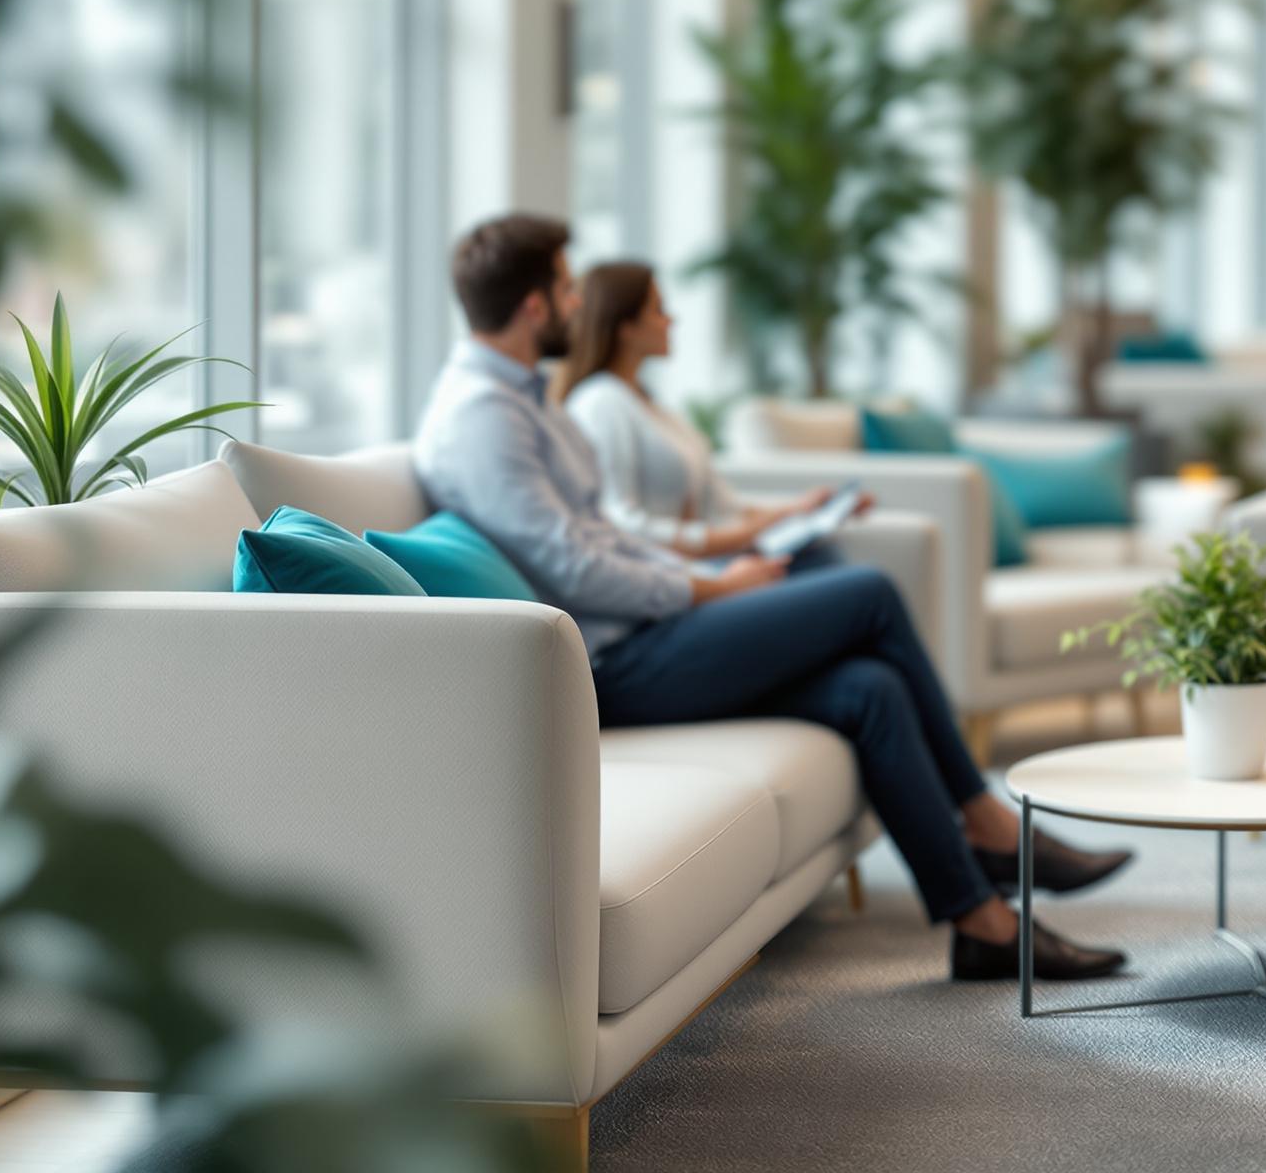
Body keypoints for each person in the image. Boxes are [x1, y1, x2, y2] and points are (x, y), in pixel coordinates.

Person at [412, 215, 1133, 981]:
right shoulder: (482, 420)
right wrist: (709, 588)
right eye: (563, 286)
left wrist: (716, 572)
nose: (572, 302)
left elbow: (601, 540)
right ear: (533, 306)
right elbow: (575, 570)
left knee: (871, 689)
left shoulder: (526, 402)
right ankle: (985, 820)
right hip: (612, 665)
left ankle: (982, 923)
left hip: (642, 630)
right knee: (867, 593)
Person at [556, 261, 844, 561]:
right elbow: (621, 523)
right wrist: (744, 537)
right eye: (658, 310)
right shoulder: (600, 403)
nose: (672, 320)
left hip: (709, 565)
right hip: (678, 580)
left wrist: (800, 510)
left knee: (823, 555)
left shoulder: (646, 403)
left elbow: (724, 508)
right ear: (626, 328)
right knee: (863, 584)